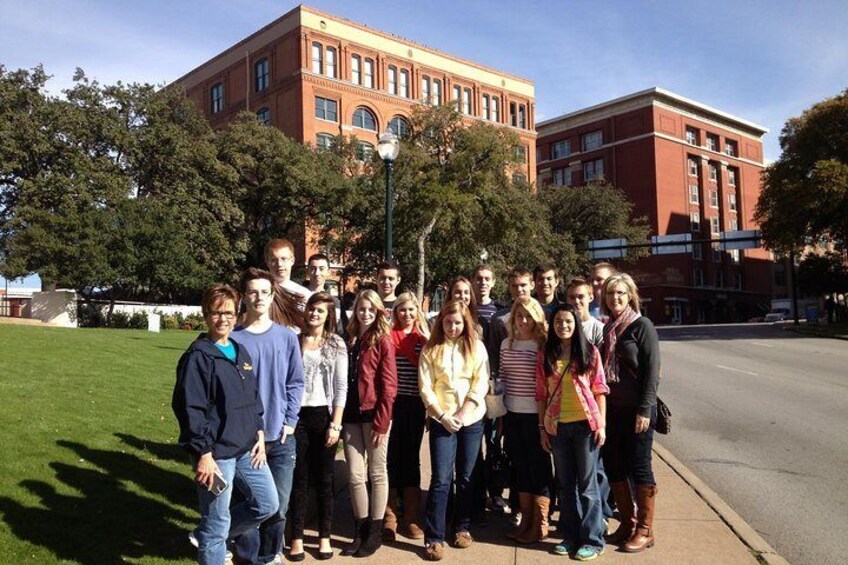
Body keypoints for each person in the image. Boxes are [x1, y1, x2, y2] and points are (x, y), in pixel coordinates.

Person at [172, 284, 278, 565]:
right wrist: (203, 455)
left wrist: (258, 433)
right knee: (216, 523)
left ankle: (207, 536)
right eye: (217, 313)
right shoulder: (198, 356)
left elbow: (252, 398)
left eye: (229, 313)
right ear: (206, 315)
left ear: (237, 314)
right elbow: (189, 409)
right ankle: (211, 539)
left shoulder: (239, 351)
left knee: (267, 504)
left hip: (246, 450)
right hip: (217, 458)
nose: (224, 319)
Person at [231, 268, 305, 564]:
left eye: (264, 291)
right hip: (245, 437)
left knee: (279, 506)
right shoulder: (233, 339)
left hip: (281, 435)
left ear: (272, 296)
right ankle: (248, 556)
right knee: (251, 501)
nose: (259, 297)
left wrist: (290, 420)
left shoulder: (286, 337)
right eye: (253, 291)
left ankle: (269, 554)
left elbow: (296, 382)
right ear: (244, 297)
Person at [419, 300, 490, 561]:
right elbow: (426, 387)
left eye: (458, 322)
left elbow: (480, 382)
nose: (452, 327)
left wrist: (461, 414)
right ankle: (434, 536)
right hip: (441, 420)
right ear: (441, 322)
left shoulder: (476, 347)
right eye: (448, 322)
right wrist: (441, 415)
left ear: (465, 323)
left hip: (470, 418)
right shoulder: (431, 349)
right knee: (441, 478)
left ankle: (462, 526)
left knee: (467, 475)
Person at [538, 303, 608, 561]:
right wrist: (542, 428)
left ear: (575, 324)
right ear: (552, 325)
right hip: (557, 426)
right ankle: (570, 536)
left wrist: (601, 425)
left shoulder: (589, 352)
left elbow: (599, 390)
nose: (563, 326)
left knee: (588, 487)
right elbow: (541, 394)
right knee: (566, 486)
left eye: (568, 321)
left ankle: (593, 539)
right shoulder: (546, 353)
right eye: (558, 322)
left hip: (584, 426)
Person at [600, 274, 660, 553]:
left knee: (639, 467)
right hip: (612, 411)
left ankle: (645, 530)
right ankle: (627, 522)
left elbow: (652, 372)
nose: (616, 298)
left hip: (637, 411)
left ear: (631, 295)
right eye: (611, 293)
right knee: (614, 465)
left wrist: (645, 409)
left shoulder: (641, 326)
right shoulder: (607, 329)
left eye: (621, 293)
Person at [289, 292, 348, 561]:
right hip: (297, 416)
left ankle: (324, 536)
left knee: (324, 479)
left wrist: (336, 424)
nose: (314, 314)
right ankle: (297, 537)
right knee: (299, 479)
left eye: (320, 311)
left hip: (323, 416)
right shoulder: (294, 340)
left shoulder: (335, 344)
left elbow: (340, 386)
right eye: (312, 309)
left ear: (328, 316)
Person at [342, 289, 398, 557]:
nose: (365, 313)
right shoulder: (350, 338)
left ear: (378, 312)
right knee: (354, 474)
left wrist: (382, 421)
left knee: (377, 472)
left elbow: (389, 386)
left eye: (370, 310)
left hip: (374, 413)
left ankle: (374, 531)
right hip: (350, 414)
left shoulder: (383, 341)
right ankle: (360, 528)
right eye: (361, 309)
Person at [499, 297, 551, 544]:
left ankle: (540, 523)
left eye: (528, 316)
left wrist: (544, 422)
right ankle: (527, 520)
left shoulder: (542, 345)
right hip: (511, 413)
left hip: (536, 416)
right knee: (519, 466)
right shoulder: (505, 344)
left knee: (538, 467)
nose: (523, 321)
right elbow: (503, 378)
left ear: (537, 318)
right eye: (519, 316)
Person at [384, 292, 430, 541]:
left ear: (417, 312)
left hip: (414, 404)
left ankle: (412, 515)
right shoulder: (387, 337)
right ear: (396, 312)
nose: (407, 314)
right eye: (402, 310)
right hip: (392, 404)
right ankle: (389, 516)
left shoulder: (423, 339)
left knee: (411, 457)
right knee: (391, 458)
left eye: (411, 310)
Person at [472, 265, 509, 515]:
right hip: (470, 387)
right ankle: (475, 491)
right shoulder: (465, 309)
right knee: (473, 443)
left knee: (494, 440)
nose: (483, 282)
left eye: (487, 279)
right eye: (479, 278)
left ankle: (495, 493)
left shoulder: (500, 312)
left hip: (493, 386)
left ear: (493, 282)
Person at [265, 238, 311, 327]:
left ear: (292, 261)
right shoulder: (261, 292)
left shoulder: (304, 294)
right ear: (268, 263)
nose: (279, 264)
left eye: (284, 259)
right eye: (274, 260)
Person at [566, 278, 604, 347]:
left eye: (581, 297)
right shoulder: (562, 327)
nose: (576, 301)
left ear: (591, 297)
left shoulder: (598, 329)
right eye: (572, 297)